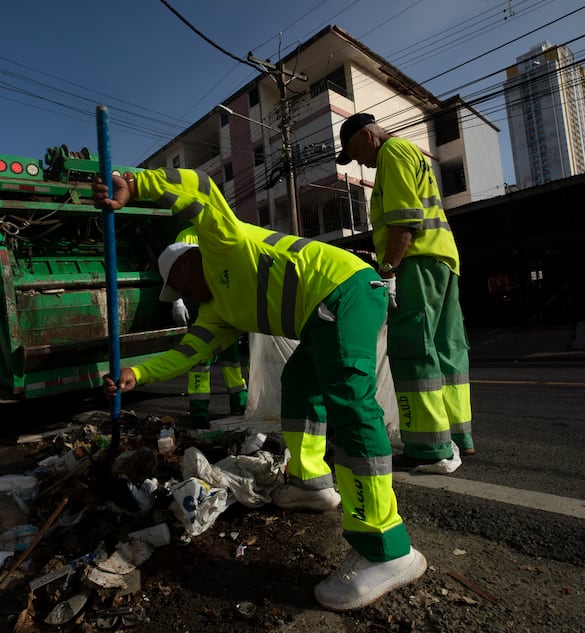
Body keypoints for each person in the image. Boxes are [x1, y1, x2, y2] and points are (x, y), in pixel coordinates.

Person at [93, 167, 426, 611]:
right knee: (300, 384)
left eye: (180, 283)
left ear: (188, 261)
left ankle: (386, 548)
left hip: (345, 289)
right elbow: (186, 353)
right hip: (321, 315)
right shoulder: (217, 312)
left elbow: (202, 190)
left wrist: (136, 184)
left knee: (350, 403)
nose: (184, 294)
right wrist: (139, 374)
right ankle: (311, 483)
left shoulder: (222, 243)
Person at [335, 112, 476, 468]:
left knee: (415, 348)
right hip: (442, 260)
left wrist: (388, 271)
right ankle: (459, 436)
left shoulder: (392, 155)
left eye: (356, 153)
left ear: (367, 138)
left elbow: (402, 222)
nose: (361, 164)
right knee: (448, 350)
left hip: (415, 264)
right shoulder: (411, 153)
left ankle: (428, 448)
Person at [170, 225, 248, 426]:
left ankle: (239, 403)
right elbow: (177, 271)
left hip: (222, 301)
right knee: (200, 357)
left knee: (231, 360)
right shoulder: (185, 235)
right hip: (199, 302)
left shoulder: (218, 231)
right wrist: (177, 300)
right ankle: (199, 412)